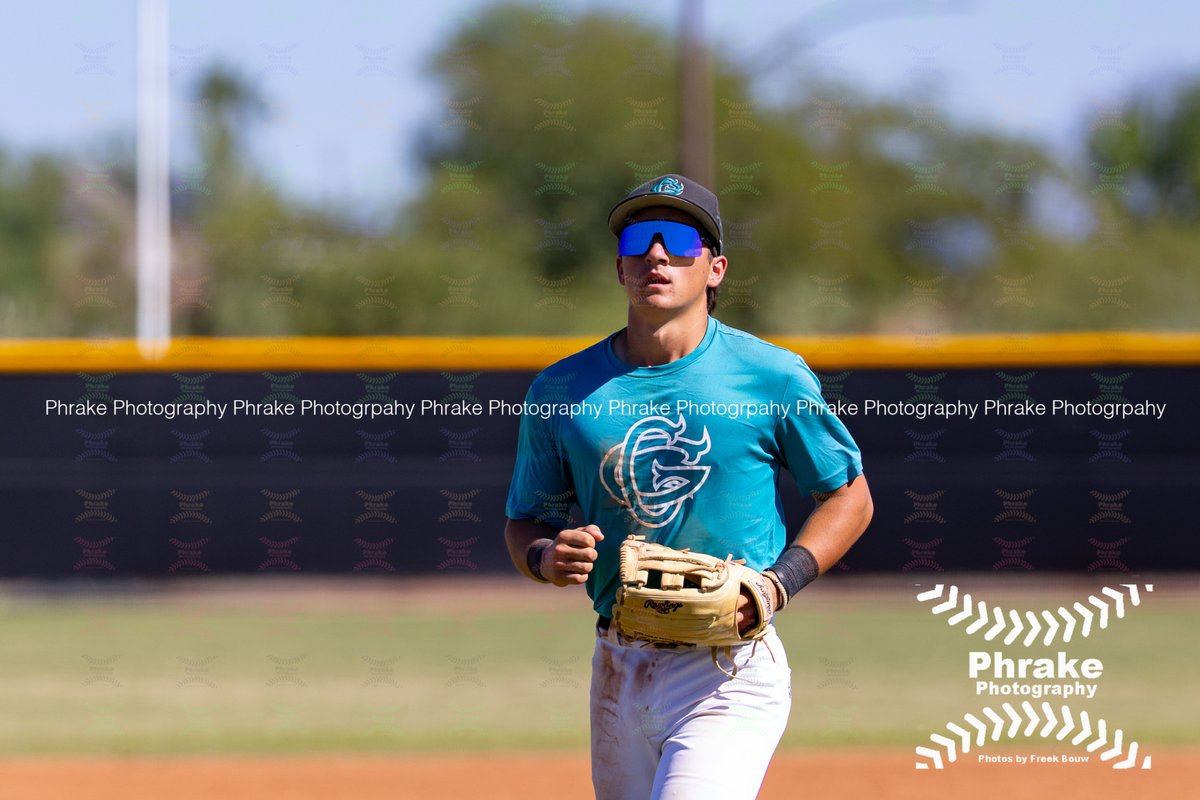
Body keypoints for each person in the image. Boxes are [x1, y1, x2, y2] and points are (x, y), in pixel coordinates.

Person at [504, 174, 873, 799]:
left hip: (727, 666)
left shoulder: (770, 377)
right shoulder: (561, 391)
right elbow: (525, 522)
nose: (656, 255)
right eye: (637, 241)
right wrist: (545, 557)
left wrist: (775, 585)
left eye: (678, 240)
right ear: (619, 268)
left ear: (715, 268)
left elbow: (850, 497)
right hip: (618, 663)